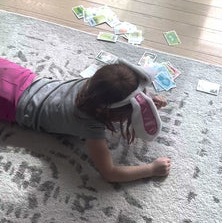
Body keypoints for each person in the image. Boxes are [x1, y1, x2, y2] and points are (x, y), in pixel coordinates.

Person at [0, 57, 171, 183]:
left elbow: (122, 92)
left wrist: (148, 102)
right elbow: (110, 173)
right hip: (12, 104)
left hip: (21, 77)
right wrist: (151, 169)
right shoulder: (90, 125)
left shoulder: (91, 85)